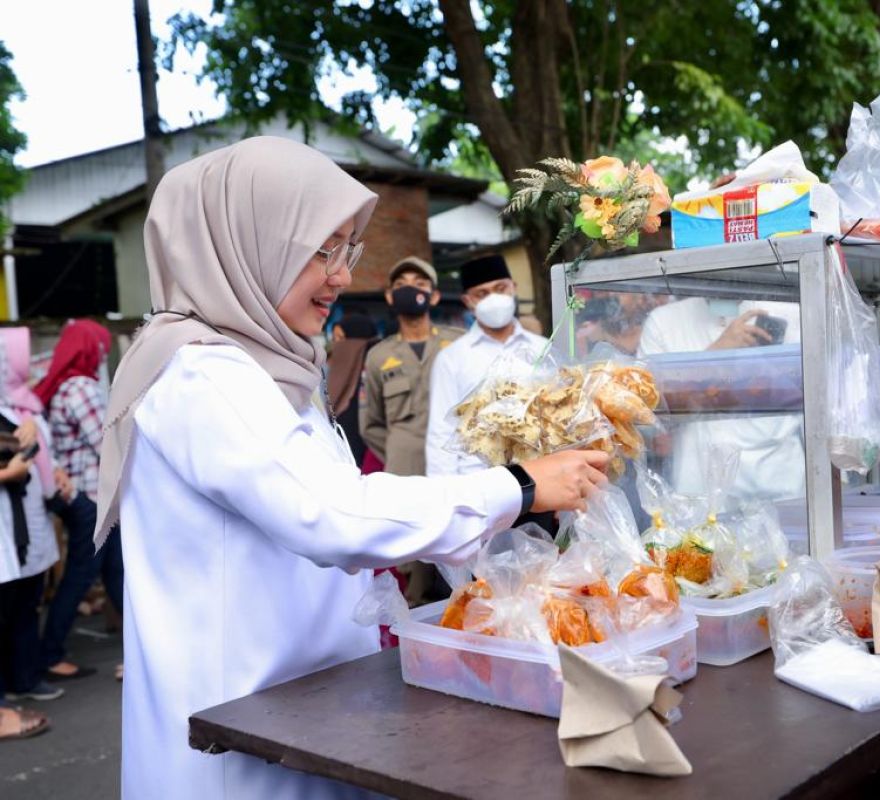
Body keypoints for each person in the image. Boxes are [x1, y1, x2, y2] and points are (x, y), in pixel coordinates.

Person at [96, 136, 607, 799]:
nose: (341, 274)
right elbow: (332, 511)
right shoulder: (202, 373)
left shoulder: (264, 361)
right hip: (241, 740)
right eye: (322, 249)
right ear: (245, 244)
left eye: (348, 249)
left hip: (301, 714)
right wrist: (519, 486)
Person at [638, 297, 805, 500]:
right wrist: (716, 354)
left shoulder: (791, 313)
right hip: (698, 492)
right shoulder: (663, 322)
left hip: (779, 486)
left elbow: (812, 401)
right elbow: (647, 415)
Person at [35, 319, 121, 682]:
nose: (103, 355)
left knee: (114, 569)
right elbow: (106, 444)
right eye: (101, 348)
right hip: (90, 497)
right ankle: (50, 653)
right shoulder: (82, 388)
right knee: (83, 574)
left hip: (77, 496)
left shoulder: (60, 387)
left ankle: (143, 645)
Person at [425, 254, 548, 476]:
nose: (493, 298)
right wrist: (448, 495)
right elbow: (441, 432)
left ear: (514, 288)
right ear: (467, 301)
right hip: (478, 482)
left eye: (500, 288)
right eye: (482, 293)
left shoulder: (543, 348)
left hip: (540, 476)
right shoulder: (452, 358)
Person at [0, 327, 63, 717]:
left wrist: (31, 440)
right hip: (9, 520)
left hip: (24, 520)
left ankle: (23, 678)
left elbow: (33, 450)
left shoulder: (15, 407)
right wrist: (13, 470)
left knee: (26, 602)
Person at [361, 257, 462, 476]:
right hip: (403, 471)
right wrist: (398, 451)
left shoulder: (459, 344)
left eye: (420, 284)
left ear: (434, 296)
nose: (409, 289)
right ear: (390, 296)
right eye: (400, 285)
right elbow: (371, 424)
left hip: (456, 466)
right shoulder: (378, 356)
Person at [326, 313, 377, 466]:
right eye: (334, 339)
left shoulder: (374, 376)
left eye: (340, 339)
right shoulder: (330, 376)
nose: (336, 345)